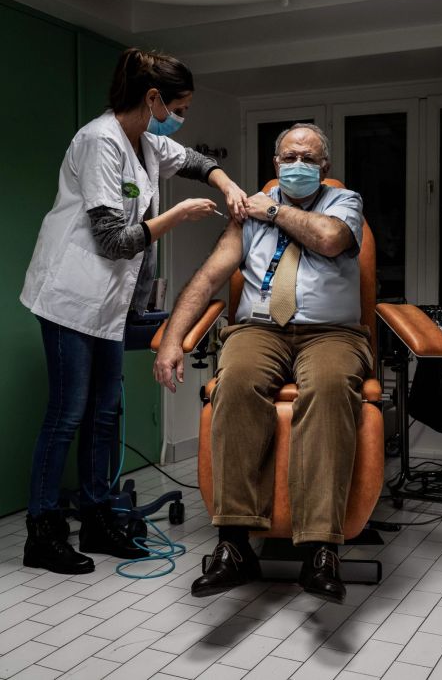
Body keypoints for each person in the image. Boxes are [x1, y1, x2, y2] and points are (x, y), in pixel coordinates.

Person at [20, 48, 247, 575]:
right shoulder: (100, 141)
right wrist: (175, 216)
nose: (182, 116)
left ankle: (98, 519)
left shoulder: (145, 141)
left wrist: (226, 182)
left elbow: (192, 160)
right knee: (68, 413)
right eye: (179, 107)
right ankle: (43, 532)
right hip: (69, 297)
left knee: (105, 413)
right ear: (152, 99)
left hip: (107, 304)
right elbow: (112, 241)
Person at [153, 123, 370, 603]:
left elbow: (331, 240)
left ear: (325, 168)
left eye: (308, 159)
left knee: (331, 386)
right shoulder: (245, 217)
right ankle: (233, 546)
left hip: (330, 332)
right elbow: (209, 276)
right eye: (289, 157)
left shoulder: (343, 202)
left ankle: (320, 549)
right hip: (259, 329)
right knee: (234, 384)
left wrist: (273, 208)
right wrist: (173, 339)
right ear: (275, 163)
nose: (298, 165)